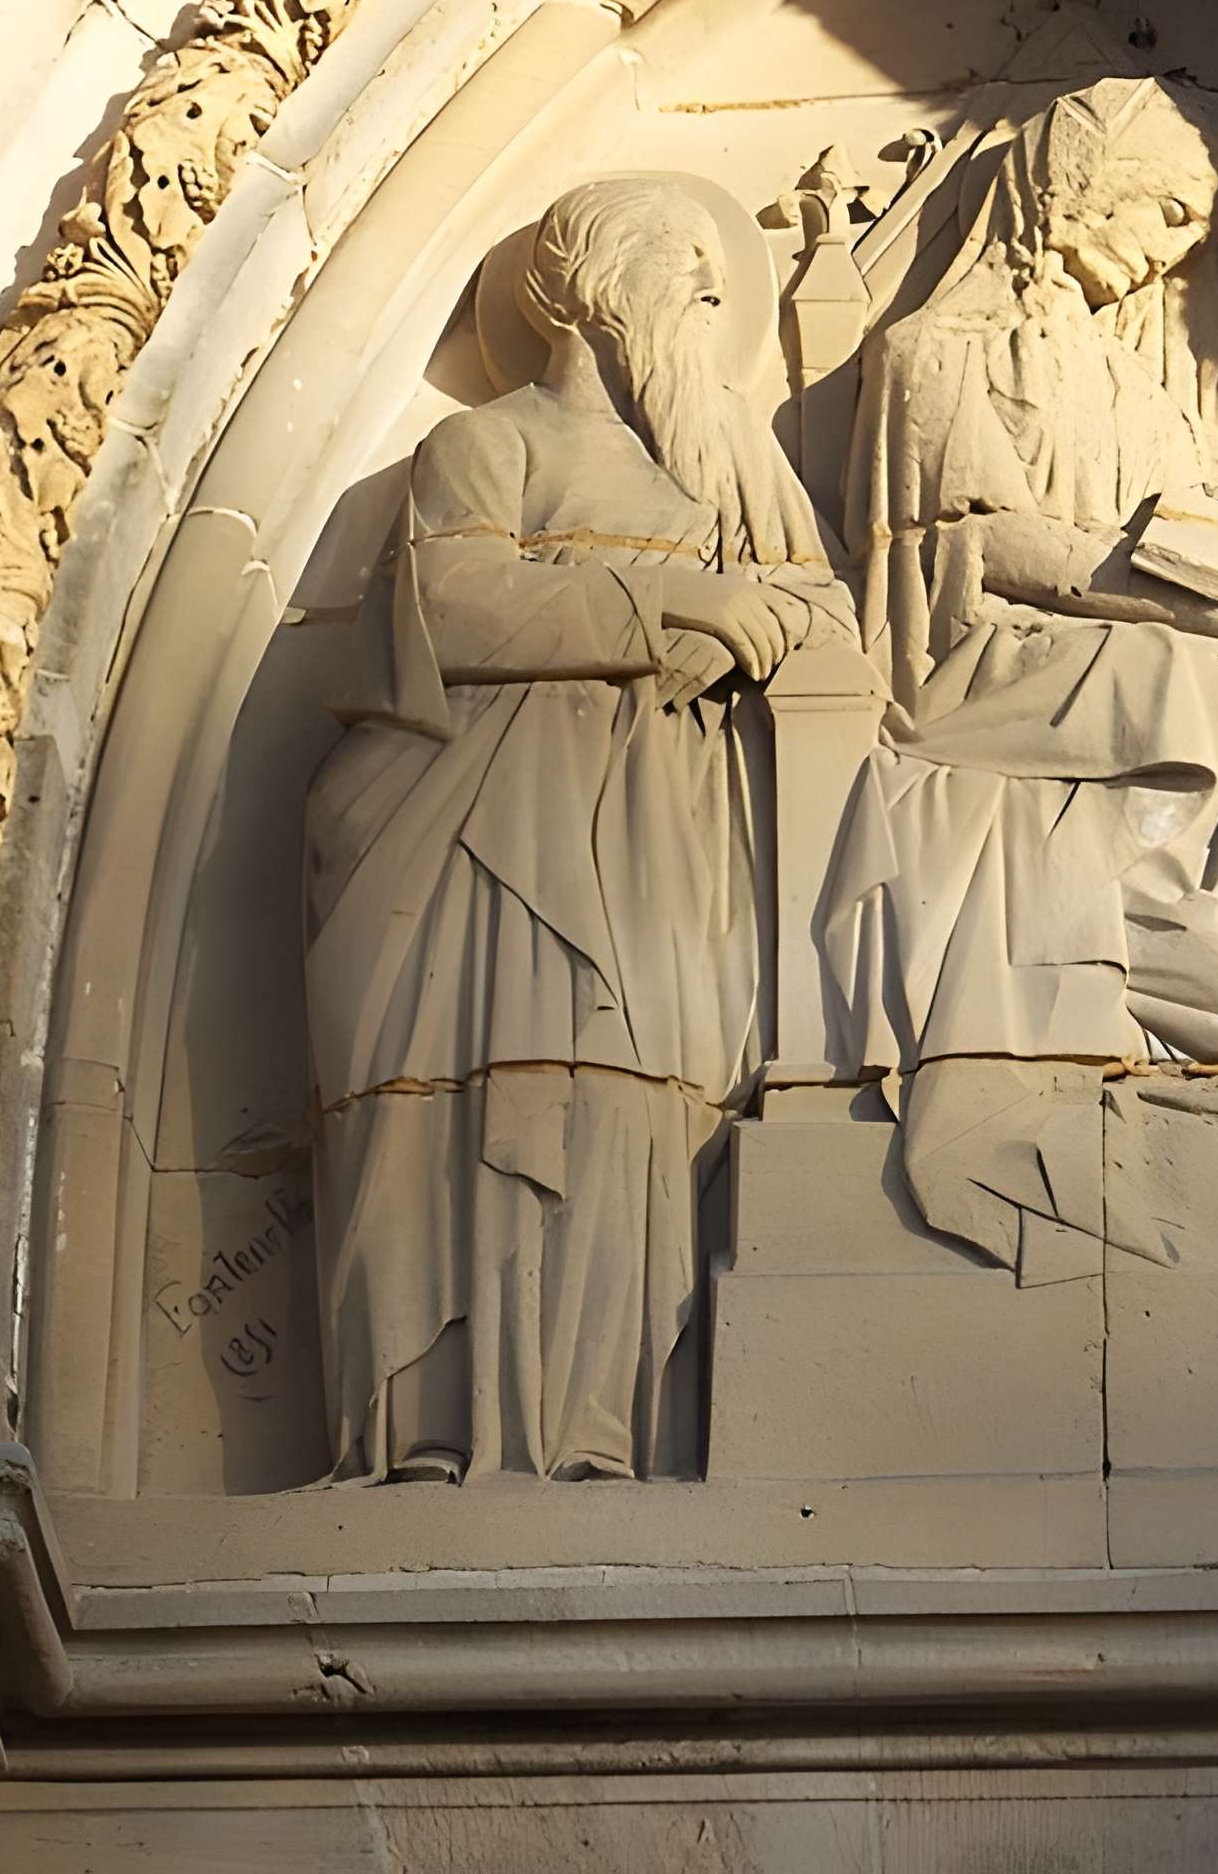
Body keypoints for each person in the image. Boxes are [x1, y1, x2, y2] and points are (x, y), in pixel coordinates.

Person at [826, 79, 1218, 1266]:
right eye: (1164, 212)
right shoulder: (936, 351)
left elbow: (1191, 499)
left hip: (1147, 634)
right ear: (1075, 188)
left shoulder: (1137, 376)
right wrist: (1178, 595)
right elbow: (975, 545)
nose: (1174, 250)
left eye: (1193, 229)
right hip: (996, 660)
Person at [302, 175, 851, 1481]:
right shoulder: (489, 447)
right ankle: (437, 1431)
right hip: (478, 841)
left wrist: (751, 615)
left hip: (655, 839)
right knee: (468, 1102)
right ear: (598, 282)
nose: (718, 296)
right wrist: (672, 605)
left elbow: (825, 617)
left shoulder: (730, 471)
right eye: (689, 264)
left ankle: (598, 1429)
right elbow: (461, 608)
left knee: (627, 1114)